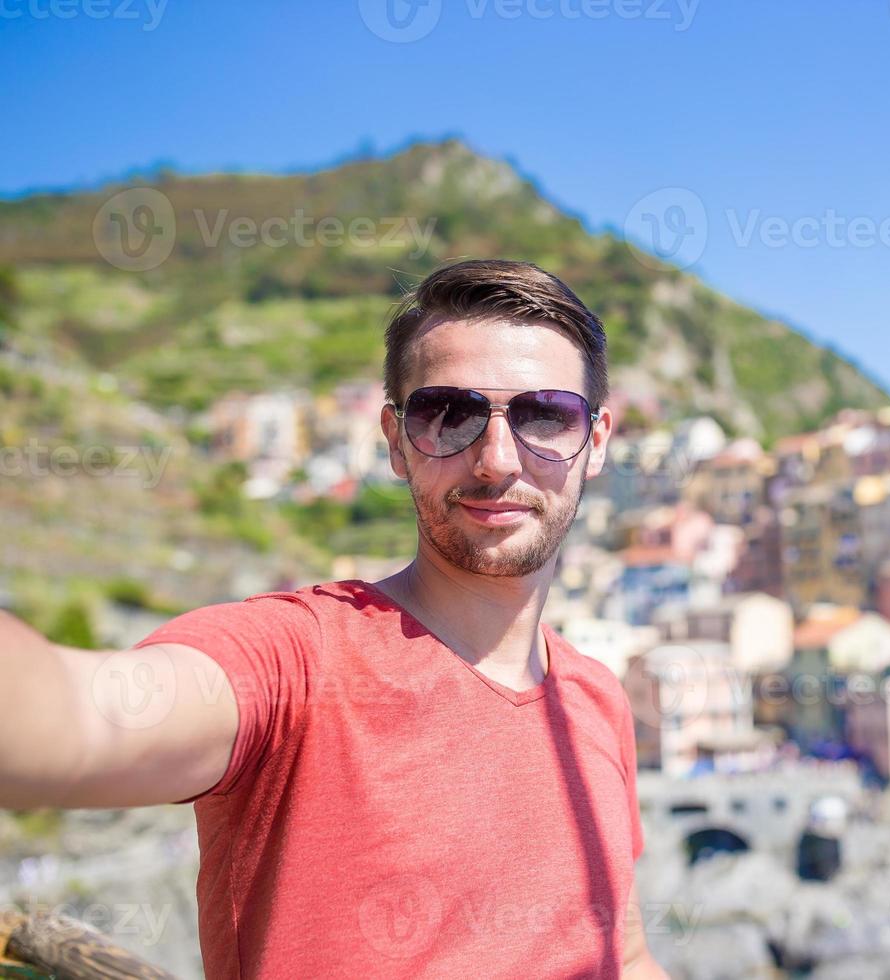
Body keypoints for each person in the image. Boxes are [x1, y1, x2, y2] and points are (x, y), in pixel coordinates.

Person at [0, 259, 668, 979]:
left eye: (545, 414)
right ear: (394, 439)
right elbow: (74, 721)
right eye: (448, 414)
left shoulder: (598, 699)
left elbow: (622, 957)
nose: (496, 459)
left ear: (595, 440)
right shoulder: (296, 657)